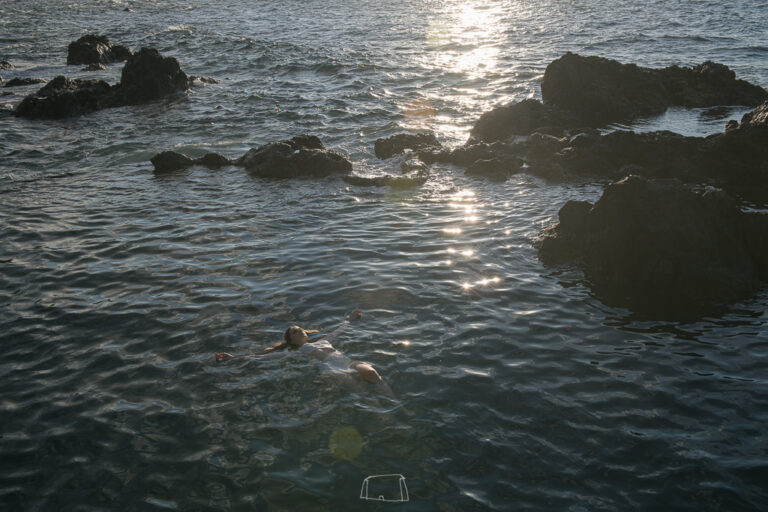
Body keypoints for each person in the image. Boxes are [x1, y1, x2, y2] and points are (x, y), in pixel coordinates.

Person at [215, 309, 385, 386]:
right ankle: (384, 414)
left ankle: (393, 401)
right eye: (295, 332)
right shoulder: (297, 351)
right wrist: (234, 358)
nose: (300, 330)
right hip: (336, 370)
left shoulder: (323, 341)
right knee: (361, 390)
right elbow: (265, 357)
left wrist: (349, 319)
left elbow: (337, 332)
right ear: (293, 341)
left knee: (371, 373)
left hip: (348, 363)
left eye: (300, 328)